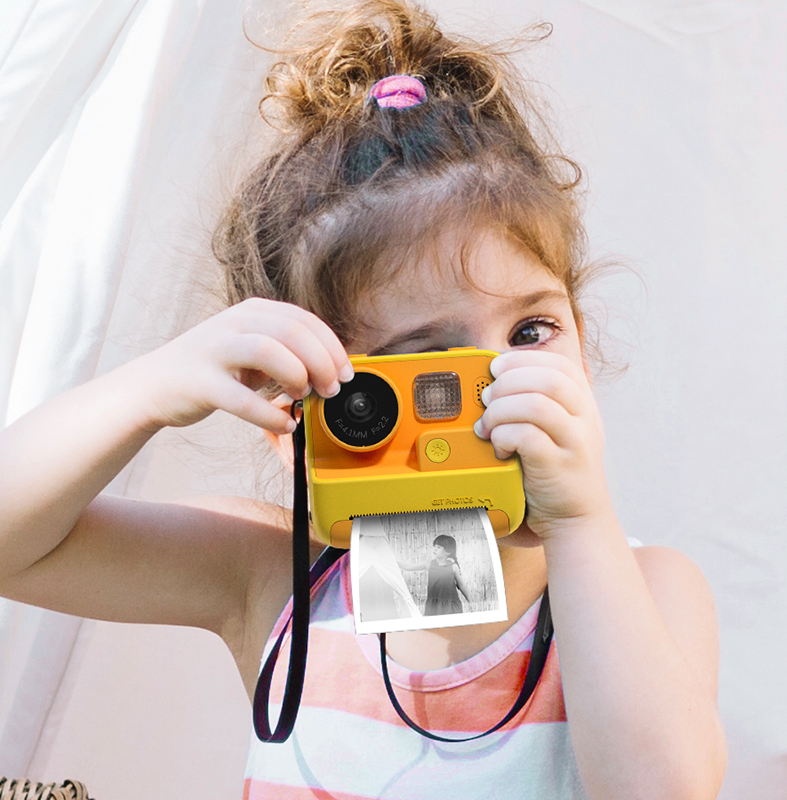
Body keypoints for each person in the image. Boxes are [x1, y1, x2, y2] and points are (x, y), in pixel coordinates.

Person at [0, 1, 726, 798]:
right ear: (308, 412)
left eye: (532, 332)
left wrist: (581, 524)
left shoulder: (647, 589)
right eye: (434, 365)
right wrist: (156, 385)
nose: (501, 388)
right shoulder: (275, 581)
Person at [398, 534, 472, 615]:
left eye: (439, 547)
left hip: (451, 607)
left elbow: (461, 586)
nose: (435, 549)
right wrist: (392, 560)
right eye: (435, 546)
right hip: (433, 607)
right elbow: (408, 567)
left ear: (448, 552)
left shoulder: (453, 567)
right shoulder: (428, 565)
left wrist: (470, 601)